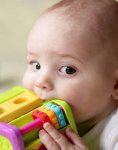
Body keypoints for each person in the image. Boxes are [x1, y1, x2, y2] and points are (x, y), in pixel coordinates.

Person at [22, 0, 118, 149]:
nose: (41, 81)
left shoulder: (114, 133)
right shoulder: (30, 121)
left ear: (116, 84)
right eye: (36, 65)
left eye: (68, 69)